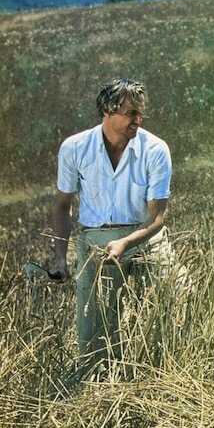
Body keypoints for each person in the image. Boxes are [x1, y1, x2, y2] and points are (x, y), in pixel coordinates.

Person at [50, 78, 172, 377]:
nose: (138, 120)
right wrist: (58, 257)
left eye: (141, 113)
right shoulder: (75, 147)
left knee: (168, 311)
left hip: (146, 237)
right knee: (93, 329)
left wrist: (126, 243)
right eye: (131, 113)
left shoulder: (155, 149)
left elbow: (158, 218)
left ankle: (160, 376)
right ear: (108, 110)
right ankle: (96, 384)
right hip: (95, 238)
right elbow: (62, 207)